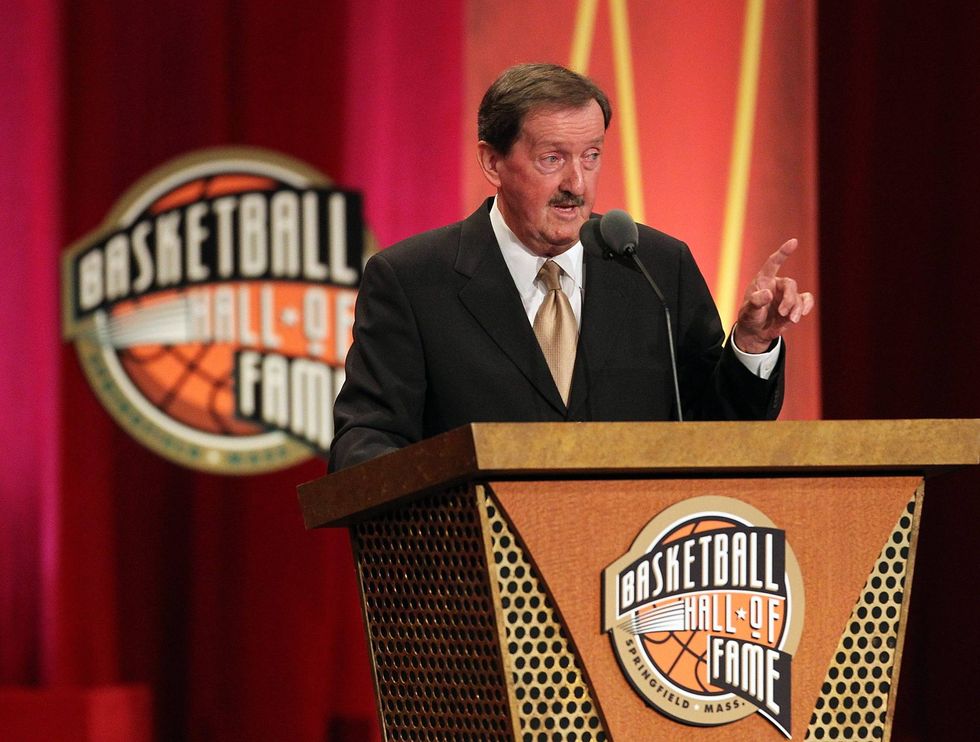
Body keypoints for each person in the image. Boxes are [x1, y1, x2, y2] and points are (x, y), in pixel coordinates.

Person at [329, 63, 813, 470]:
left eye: (592, 156)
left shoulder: (658, 269)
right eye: (552, 158)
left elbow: (717, 432)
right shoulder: (413, 280)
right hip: (477, 568)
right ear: (493, 162)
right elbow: (366, 440)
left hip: (644, 572)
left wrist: (752, 344)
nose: (576, 184)